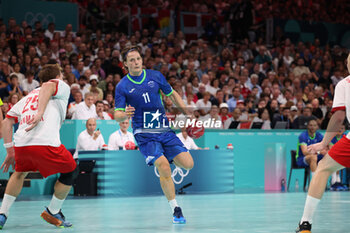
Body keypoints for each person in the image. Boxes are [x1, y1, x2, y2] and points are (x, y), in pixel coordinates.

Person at [114, 45, 194, 224]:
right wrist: (125, 113)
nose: (136, 62)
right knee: (164, 167)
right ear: (125, 65)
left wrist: (187, 111)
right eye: (131, 60)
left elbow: (172, 95)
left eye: (138, 59)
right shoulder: (122, 86)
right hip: (144, 133)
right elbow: (117, 114)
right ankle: (176, 210)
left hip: (164, 129)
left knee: (188, 164)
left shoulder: (156, 76)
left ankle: (165, 156)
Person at [0, 64, 78, 229]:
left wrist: (9, 149)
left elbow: (7, 121)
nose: (62, 79)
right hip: (45, 143)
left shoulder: (28, 97)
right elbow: (49, 86)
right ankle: (53, 210)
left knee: (19, 173)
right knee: (71, 170)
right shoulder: (60, 86)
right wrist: (40, 112)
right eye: (61, 77)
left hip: (22, 145)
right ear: (57, 77)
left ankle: (2, 214)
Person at [296, 54, 350, 233]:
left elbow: (339, 117)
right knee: (322, 166)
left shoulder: (344, 84)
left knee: (323, 168)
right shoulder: (343, 84)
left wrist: (322, 144)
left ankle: (305, 224)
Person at [329, 123, 347, 191]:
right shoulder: (332, 137)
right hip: (333, 157)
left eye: (342, 128)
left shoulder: (345, 137)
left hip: (343, 156)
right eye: (338, 128)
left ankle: (337, 182)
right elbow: (331, 148)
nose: (340, 130)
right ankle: (334, 182)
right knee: (336, 159)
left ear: (344, 130)